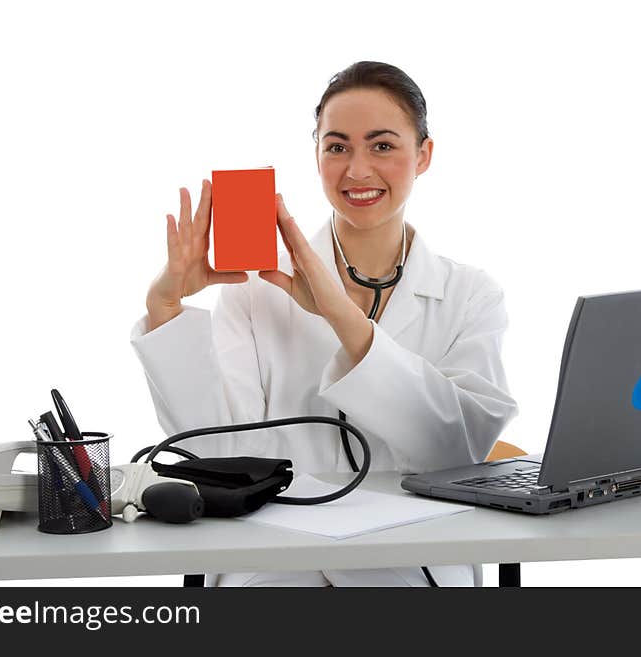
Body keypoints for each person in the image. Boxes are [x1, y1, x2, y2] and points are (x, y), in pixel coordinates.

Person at [130, 61, 518, 587]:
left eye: (382, 145)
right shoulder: (253, 289)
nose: (357, 170)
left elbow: (457, 451)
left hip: (412, 554)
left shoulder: (471, 295)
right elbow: (213, 453)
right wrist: (166, 309)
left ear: (423, 155)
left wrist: (342, 316)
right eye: (337, 147)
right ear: (316, 156)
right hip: (272, 554)